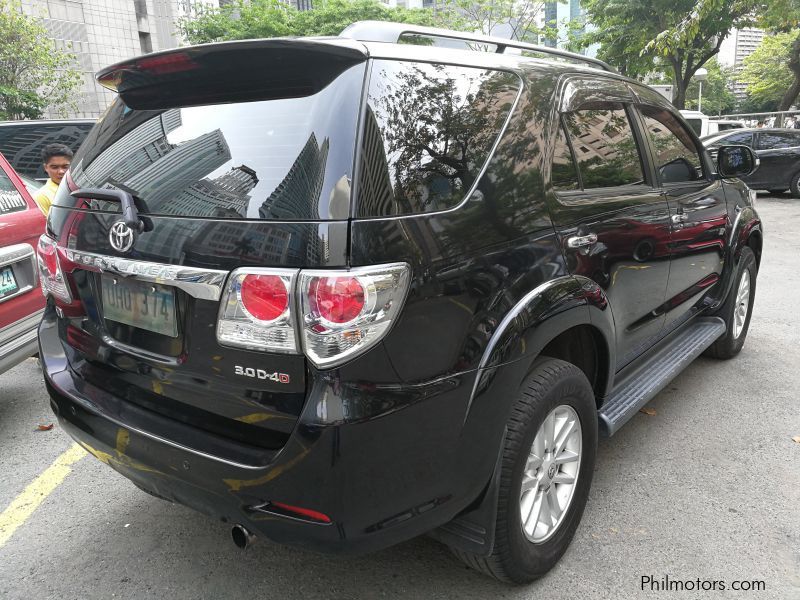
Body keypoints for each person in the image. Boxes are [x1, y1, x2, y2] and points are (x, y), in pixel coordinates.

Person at [34, 143, 73, 216]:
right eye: (54, 167)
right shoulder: (42, 196)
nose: (61, 171)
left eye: (65, 167)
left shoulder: (83, 186)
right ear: (46, 168)